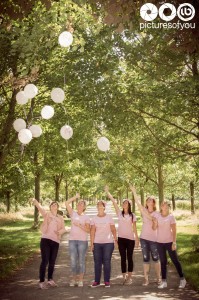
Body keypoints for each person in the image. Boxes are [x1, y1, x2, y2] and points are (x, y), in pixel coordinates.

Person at [106, 187, 139, 285]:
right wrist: (108, 191)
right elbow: (114, 202)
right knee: (123, 258)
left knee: (130, 257)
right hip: (121, 239)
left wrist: (137, 238)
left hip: (130, 239)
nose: (124, 204)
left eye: (126, 203)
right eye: (123, 203)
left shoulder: (133, 215)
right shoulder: (119, 214)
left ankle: (130, 277)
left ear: (129, 205)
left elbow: (134, 228)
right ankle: (124, 276)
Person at [30, 198, 66, 289]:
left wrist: (60, 232)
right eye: (52, 205)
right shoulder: (47, 215)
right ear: (50, 207)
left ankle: (50, 279)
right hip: (46, 239)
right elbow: (40, 208)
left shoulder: (60, 217)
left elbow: (63, 228)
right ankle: (42, 281)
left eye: (56, 205)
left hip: (56, 241)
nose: (54, 206)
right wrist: (36, 202)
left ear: (58, 207)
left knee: (52, 262)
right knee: (45, 261)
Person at [130, 185, 161, 286]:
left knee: (156, 259)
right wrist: (134, 191)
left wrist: (154, 222)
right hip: (144, 238)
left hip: (154, 239)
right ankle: (146, 279)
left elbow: (154, 228)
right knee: (145, 259)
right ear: (146, 203)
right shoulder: (144, 211)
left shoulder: (157, 214)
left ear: (153, 203)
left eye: (151, 200)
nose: (149, 202)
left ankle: (158, 278)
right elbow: (138, 202)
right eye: (148, 200)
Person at [152, 201, 186, 289]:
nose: (165, 207)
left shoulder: (171, 217)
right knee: (163, 262)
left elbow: (174, 230)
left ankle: (182, 279)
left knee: (175, 260)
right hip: (159, 243)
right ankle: (164, 282)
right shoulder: (157, 216)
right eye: (163, 205)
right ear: (161, 207)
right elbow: (153, 228)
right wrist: (155, 223)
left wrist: (174, 242)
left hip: (169, 242)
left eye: (167, 205)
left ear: (168, 207)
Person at [90, 200, 117, 288]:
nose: (99, 206)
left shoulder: (109, 217)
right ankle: (96, 281)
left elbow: (113, 229)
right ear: (97, 207)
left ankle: (107, 281)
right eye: (98, 205)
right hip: (97, 243)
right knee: (97, 262)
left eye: (101, 205)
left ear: (104, 207)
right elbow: (92, 231)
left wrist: (115, 240)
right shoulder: (94, 218)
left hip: (108, 243)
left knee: (107, 261)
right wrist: (92, 244)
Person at [65, 193, 90, 287]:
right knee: (73, 260)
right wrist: (75, 197)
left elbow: (88, 230)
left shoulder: (87, 217)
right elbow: (66, 203)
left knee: (81, 261)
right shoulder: (73, 213)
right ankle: (73, 279)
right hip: (72, 240)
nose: (80, 205)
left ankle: (80, 280)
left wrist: (79, 225)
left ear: (84, 207)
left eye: (82, 204)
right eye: (79, 203)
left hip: (82, 241)